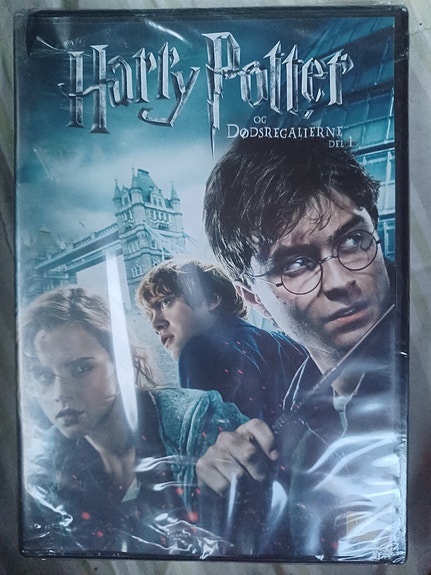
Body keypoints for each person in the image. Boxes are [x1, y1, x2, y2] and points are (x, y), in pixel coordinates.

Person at [199, 136, 406, 561]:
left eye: (353, 240)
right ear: (253, 298)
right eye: (296, 264)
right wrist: (230, 509)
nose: (340, 281)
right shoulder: (290, 424)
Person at [20, 286, 247, 557]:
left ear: (122, 364)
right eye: (44, 376)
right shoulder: (43, 471)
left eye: (82, 368)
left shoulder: (199, 422)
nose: (60, 393)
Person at [136, 257, 305, 423]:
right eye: (149, 315)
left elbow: (214, 436)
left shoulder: (199, 351)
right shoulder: (289, 343)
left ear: (212, 299)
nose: (155, 324)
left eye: (166, 302)